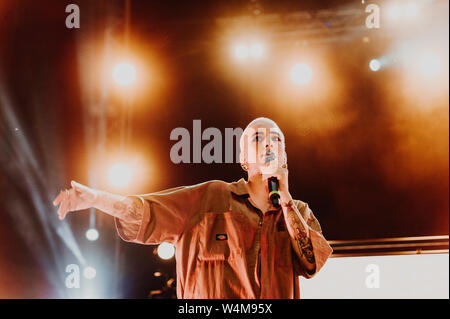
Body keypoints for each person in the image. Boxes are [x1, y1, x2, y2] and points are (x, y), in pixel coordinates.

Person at [53, 117, 332, 298]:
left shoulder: (299, 212)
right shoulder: (209, 198)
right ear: (243, 157)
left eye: (277, 139)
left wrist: (284, 199)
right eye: (258, 138)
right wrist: (97, 199)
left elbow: (311, 263)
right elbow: (146, 211)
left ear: (284, 154)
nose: (269, 143)